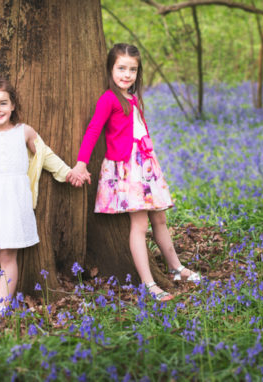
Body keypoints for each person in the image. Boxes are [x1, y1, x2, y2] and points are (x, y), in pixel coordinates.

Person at [70, 43, 199, 302]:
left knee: (159, 220)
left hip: (146, 165)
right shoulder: (109, 98)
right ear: (110, 69)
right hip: (128, 169)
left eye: (132, 70)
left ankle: (176, 268)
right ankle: (149, 283)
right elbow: (94, 129)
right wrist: (81, 163)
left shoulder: (134, 99)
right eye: (121, 68)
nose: (127, 75)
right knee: (139, 224)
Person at [0, 77, 84, 323]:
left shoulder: (24, 132)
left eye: (3, 103)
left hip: (15, 202)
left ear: (13, 104)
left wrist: (68, 173)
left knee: (8, 256)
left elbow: (45, 155)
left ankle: (3, 306)